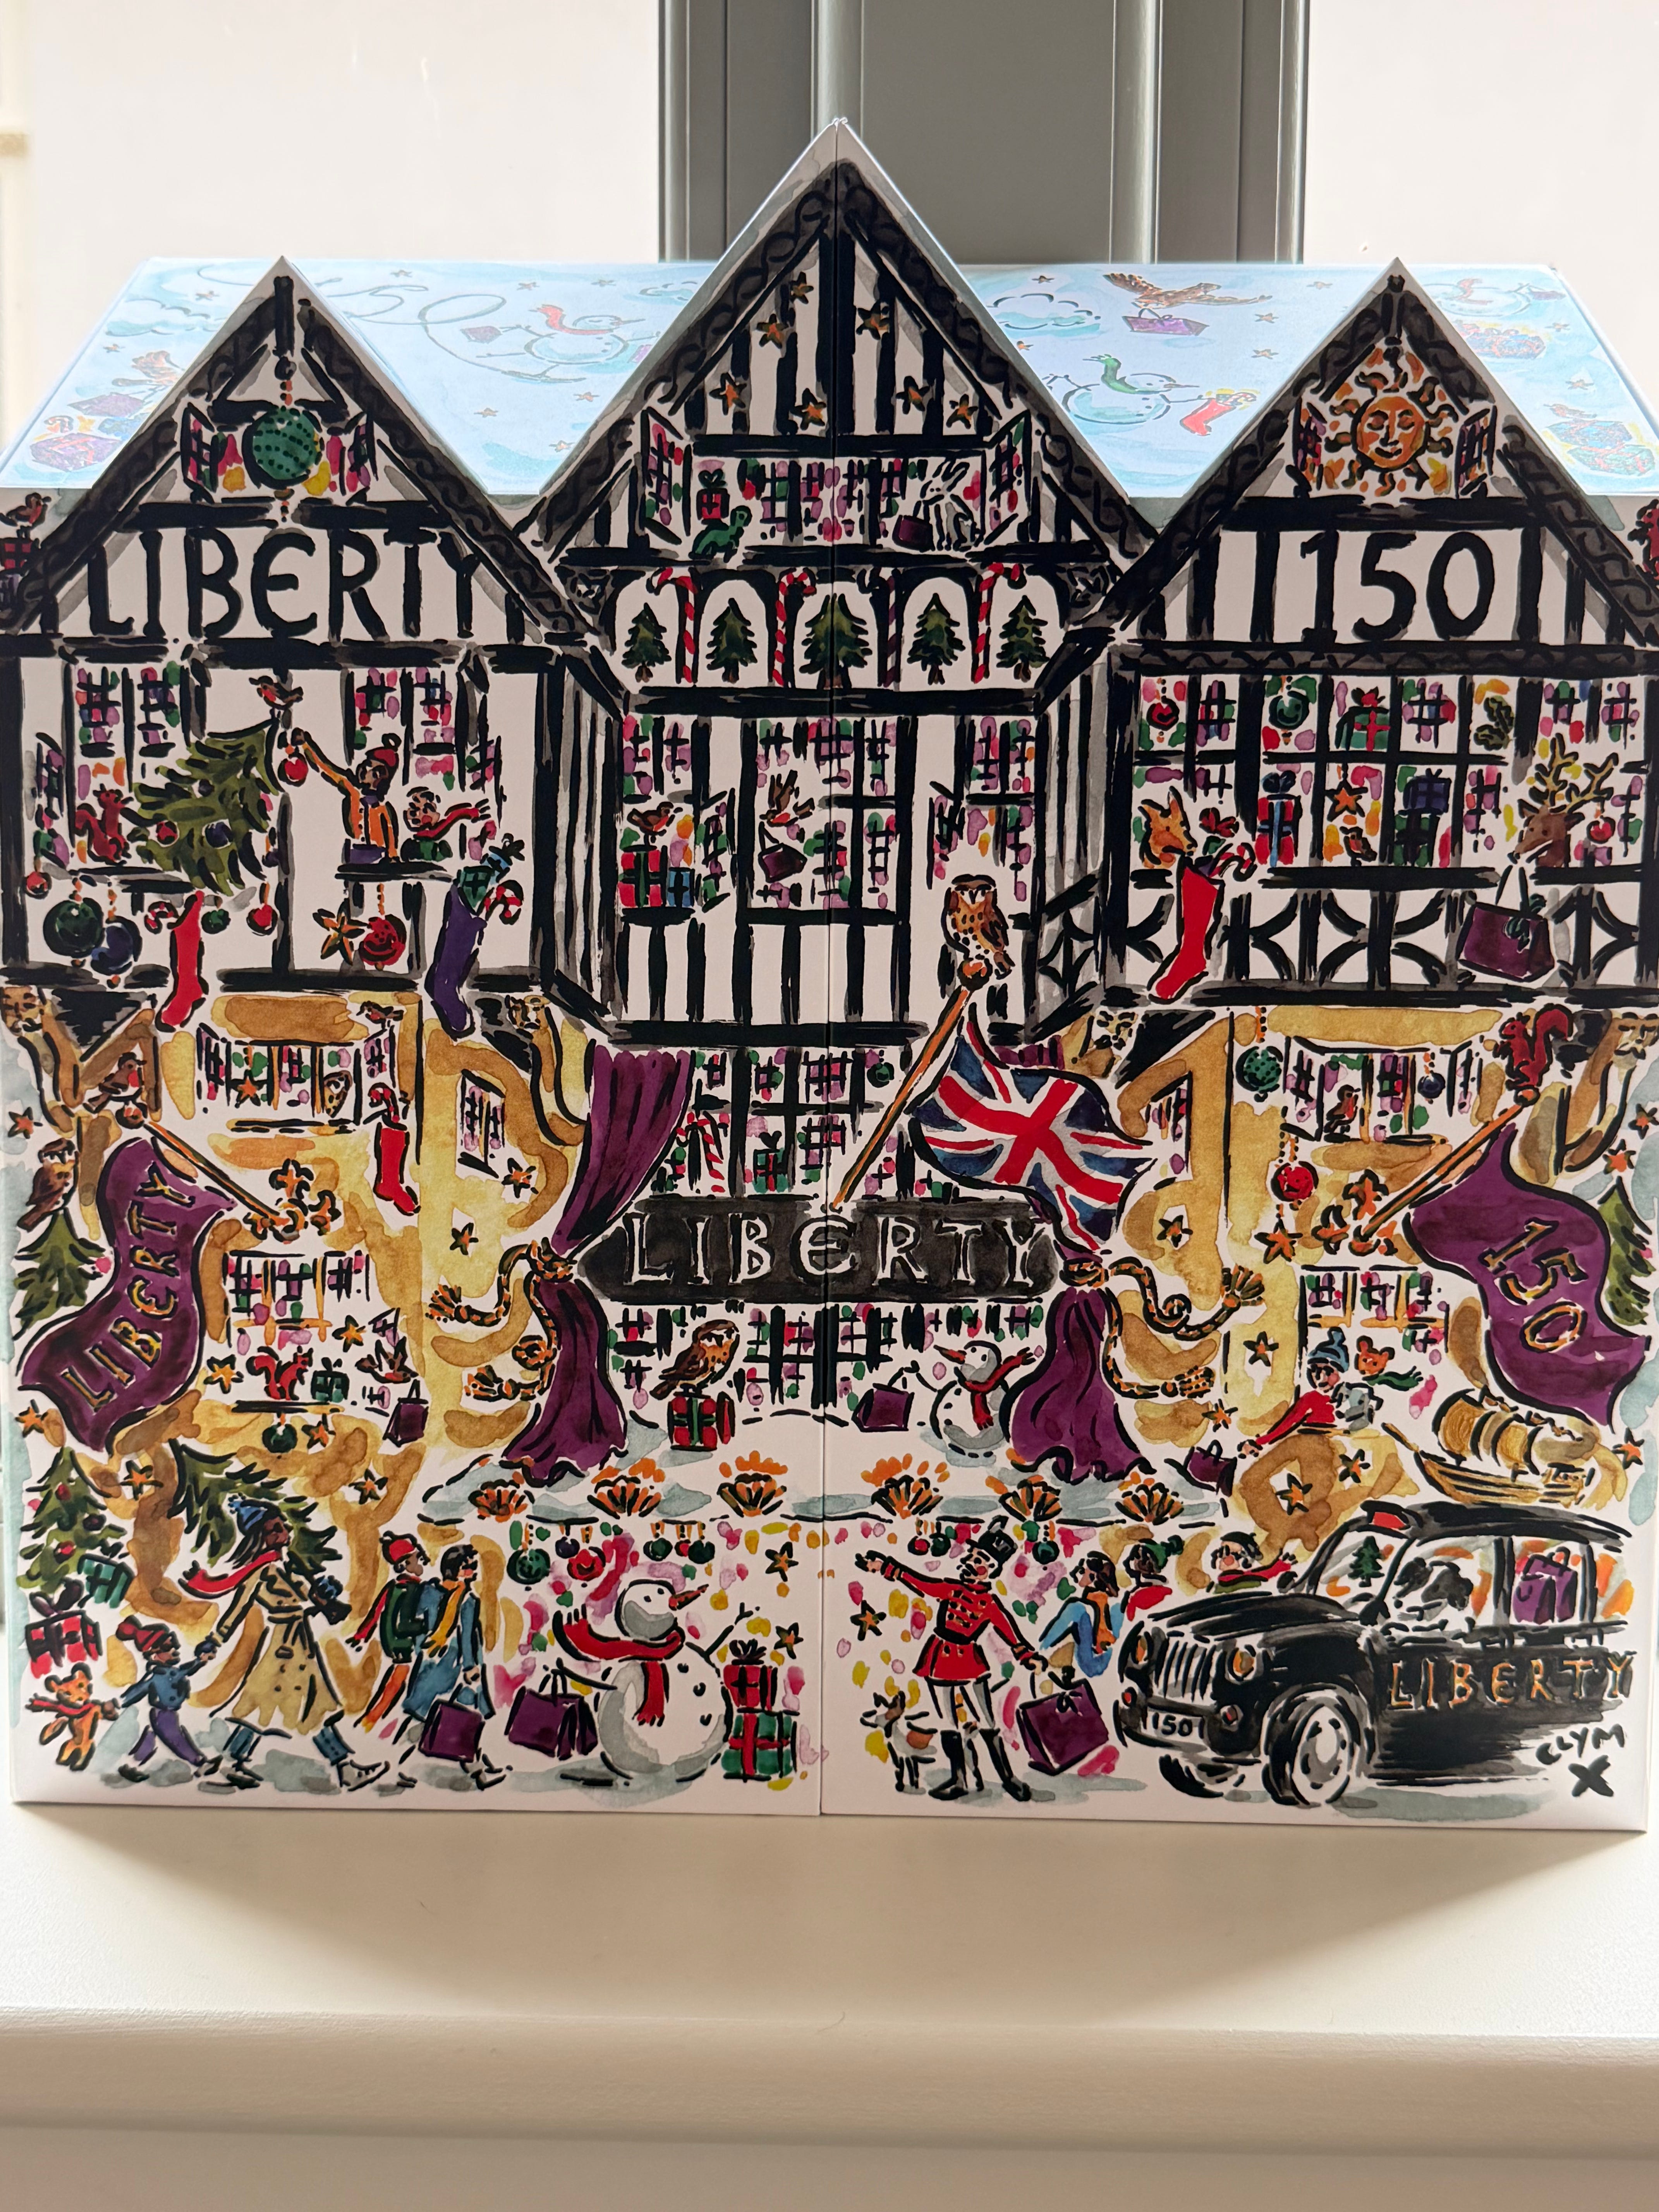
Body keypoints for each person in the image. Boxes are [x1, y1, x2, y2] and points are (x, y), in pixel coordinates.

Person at [188, 1498, 387, 1793]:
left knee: (307, 1706)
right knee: (268, 1705)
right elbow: (237, 1610)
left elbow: (312, 1600)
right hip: (283, 1650)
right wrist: (214, 1641)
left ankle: (343, 1769)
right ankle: (341, 1769)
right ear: (261, 1537)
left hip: (300, 1644)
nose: (285, 1532)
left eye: (283, 1526)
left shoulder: (289, 1568)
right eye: (275, 1529)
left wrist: (325, 1596)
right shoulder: (260, 1573)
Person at [856, 1522, 1040, 1803]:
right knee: (948, 1722)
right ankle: (959, 1780)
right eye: (973, 1557)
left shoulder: (989, 1603)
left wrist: (1026, 1655)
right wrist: (886, 1567)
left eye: (979, 1560)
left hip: (969, 1660)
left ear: (990, 1568)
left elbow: (1008, 1630)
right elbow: (921, 1583)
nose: (971, 1562)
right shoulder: (952, 1589)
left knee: (987, 1721)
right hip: (940, 1658)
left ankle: (1008, 1778)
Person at [395, 1543, 505, 1791]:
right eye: (468, 1567)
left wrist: (422, 1647)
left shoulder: (429, 1592)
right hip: (454, 1667)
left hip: (433, 1662)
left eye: (473, 1566)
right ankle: (475, 1768)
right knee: (463, 1716)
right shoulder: (466, 1600)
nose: (473, 1571)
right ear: (454, 1569)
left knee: (431, 1715)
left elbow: (417, 1623)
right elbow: (466, 1636)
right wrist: (470, 1667)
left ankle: (475, 1767)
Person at [1237, 1326, 1350, 1552]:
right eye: (1316, 1371)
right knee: (1251, 1479)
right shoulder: (1311, 1398)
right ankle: (1283, 1527)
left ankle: (1297, 1529)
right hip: (1301, 1441)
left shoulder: (1349, 1398)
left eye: (1328, 1371)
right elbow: (1289, 1422)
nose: (1320, 1377)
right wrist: (1260, 1442)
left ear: (1339, 1373)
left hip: (1320, 1447)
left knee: (1315, 1501)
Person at [349, 1531, 431, 1732]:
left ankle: (373, 1717)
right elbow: (403, 1623)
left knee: (397, 1678)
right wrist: (426, 1626)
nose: (422, 1562)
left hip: (391, 1639)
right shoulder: (410, 1589)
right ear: (404, 1564)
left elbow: (376, 1611)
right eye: (417, 1558)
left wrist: (362, 1634)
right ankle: (372, 1719)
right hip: (400, 1640)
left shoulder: (396, 1586)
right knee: (398, 1680)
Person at [112, 1618, 210, 1782]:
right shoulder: (155, 1675)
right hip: (163, 1714)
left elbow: (185, 1671)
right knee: (175, 1738)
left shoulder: (171, 1671)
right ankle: (200, 1763)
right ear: (154, 1654)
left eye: (174, 1646)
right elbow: (138, 1690)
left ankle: (131, 1765)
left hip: (164, 1713)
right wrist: (120, 1703)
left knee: (150, 1738)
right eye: (168, 1648)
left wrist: (200, 1661)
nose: (175, 1650)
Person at [290, 728, 400, 864]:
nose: (366, 771)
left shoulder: (382, 809)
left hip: (378, 859)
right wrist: (306, 744)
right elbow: (326, 768)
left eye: (375, 773)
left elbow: (390, 834)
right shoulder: (354, 792)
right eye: (368, 765)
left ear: (381, 782)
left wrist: (392, 856)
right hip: (353, 855)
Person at [1037, 1549, 1121, 1678]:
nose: (1083, 1575)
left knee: (1076, 1608)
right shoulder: (1090, 1593)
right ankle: (1043, 1646)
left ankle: (1043, 1647)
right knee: (1076, 1608)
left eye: (1089, 1574)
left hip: (1100, 1645)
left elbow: (1106, 1624)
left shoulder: (1105, 1599)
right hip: (1090, 1642)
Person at [401, 787, 490, 864]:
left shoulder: (426, 818)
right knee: (452, 818)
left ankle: (472, 813)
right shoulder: (425, 827)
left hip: (429, 835)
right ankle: (472, 813)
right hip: (430, 835)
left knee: (452, 818)